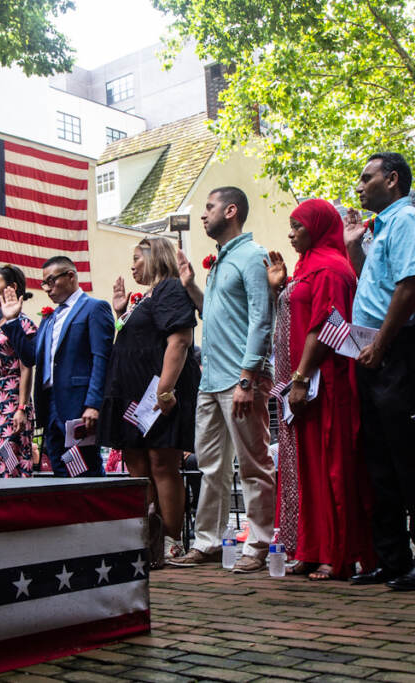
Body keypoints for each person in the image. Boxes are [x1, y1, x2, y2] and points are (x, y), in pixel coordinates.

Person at [343, 153, 415, 590]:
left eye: (367, 177)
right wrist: (353, 246)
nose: (359, 185)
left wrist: (382, 345)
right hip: (370, 351)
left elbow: (409, 287)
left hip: (396, 349)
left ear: (392, 179)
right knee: (380, 459)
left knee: (406, 458)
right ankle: (392, 558)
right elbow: (377, 282)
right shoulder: (380, 229)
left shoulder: (405, 221)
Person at [265, 199, 375, 580]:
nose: (291, 234)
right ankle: (311, 548)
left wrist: (300, 377)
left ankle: (336, 553)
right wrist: (280, 288)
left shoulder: (330, 267)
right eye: (291, 226)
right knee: (304, 466)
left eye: (298, 226)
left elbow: (324, 326)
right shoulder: (306, 266)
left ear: (318, 226)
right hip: (303, 382)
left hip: (322, 382)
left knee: (330, 465)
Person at [169, 186, 276, 573]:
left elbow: (262, 320)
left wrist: (248, 378)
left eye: (209, 207)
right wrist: (191, 285)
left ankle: (260, 544)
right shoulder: (220, 262)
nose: (203, 215)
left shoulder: (252, 256)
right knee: (211, 466)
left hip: (240, 379)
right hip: (210, 381)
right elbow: (213, 313)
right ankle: (208, 543)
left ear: (231, 211)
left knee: (253, 464)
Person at [100, 237, 200, 566]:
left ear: (155, 256)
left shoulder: (170, 289)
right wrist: (119, 313)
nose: (131, 266)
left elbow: (180, 340)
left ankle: (171, 540)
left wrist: (166, 389)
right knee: (138, 468)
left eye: (136, 258)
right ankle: (146, 537)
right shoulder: (146, 297)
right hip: (131, 397)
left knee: (162, 464)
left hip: (157, 394)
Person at [1, 256, 114, 477]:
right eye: (44, 283)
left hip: (78, 403)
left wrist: (93, 403)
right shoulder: (49, 318)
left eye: (51, 281)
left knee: (84, 467)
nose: (46, 289)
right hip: (50, 402)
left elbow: (102, 359)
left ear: (70, 276)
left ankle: (91, 510)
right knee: (60, 464)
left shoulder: (94, 308)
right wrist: (13, 321)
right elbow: (31, 357)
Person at [0, 265, 35, 478]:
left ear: (11, 287)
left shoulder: (22, 322)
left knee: (10, 458)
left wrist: (21, 407)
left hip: (10, 399)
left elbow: (26, 366)